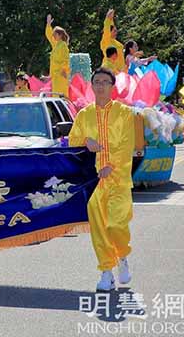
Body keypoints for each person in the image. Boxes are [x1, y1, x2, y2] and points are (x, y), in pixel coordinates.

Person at [69, 68, 135, 292]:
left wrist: (111, 166)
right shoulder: (84, 115)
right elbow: (72, 142)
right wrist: (86, 140)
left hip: (119, 179)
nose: (100, 86)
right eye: (96, 82)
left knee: (116, 224)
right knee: (98, 229)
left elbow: (128, 145)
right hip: (93, 181)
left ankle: (122, 256)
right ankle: (106, 271)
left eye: (104, 82)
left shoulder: (125, 113)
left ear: (112, 86)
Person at [45, 14, 71, 97]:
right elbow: (49, 36)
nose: (53, 36)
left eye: (55, 34)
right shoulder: (56, 44)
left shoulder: (63, 45)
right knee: (56, 96)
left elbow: (66, 59)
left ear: (60, 35)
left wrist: (64, 70)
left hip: (61, 74)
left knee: (61, 96)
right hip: (56, 75)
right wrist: (48, 25)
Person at [101, 9, 125, 74]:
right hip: (110, 69)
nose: (116, 32)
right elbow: (107, 29)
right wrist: (107, 19)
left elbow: (111, 26)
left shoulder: (115, 42)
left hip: (120, 70)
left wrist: (111, 19)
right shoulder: (106, 40)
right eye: (114, 31)